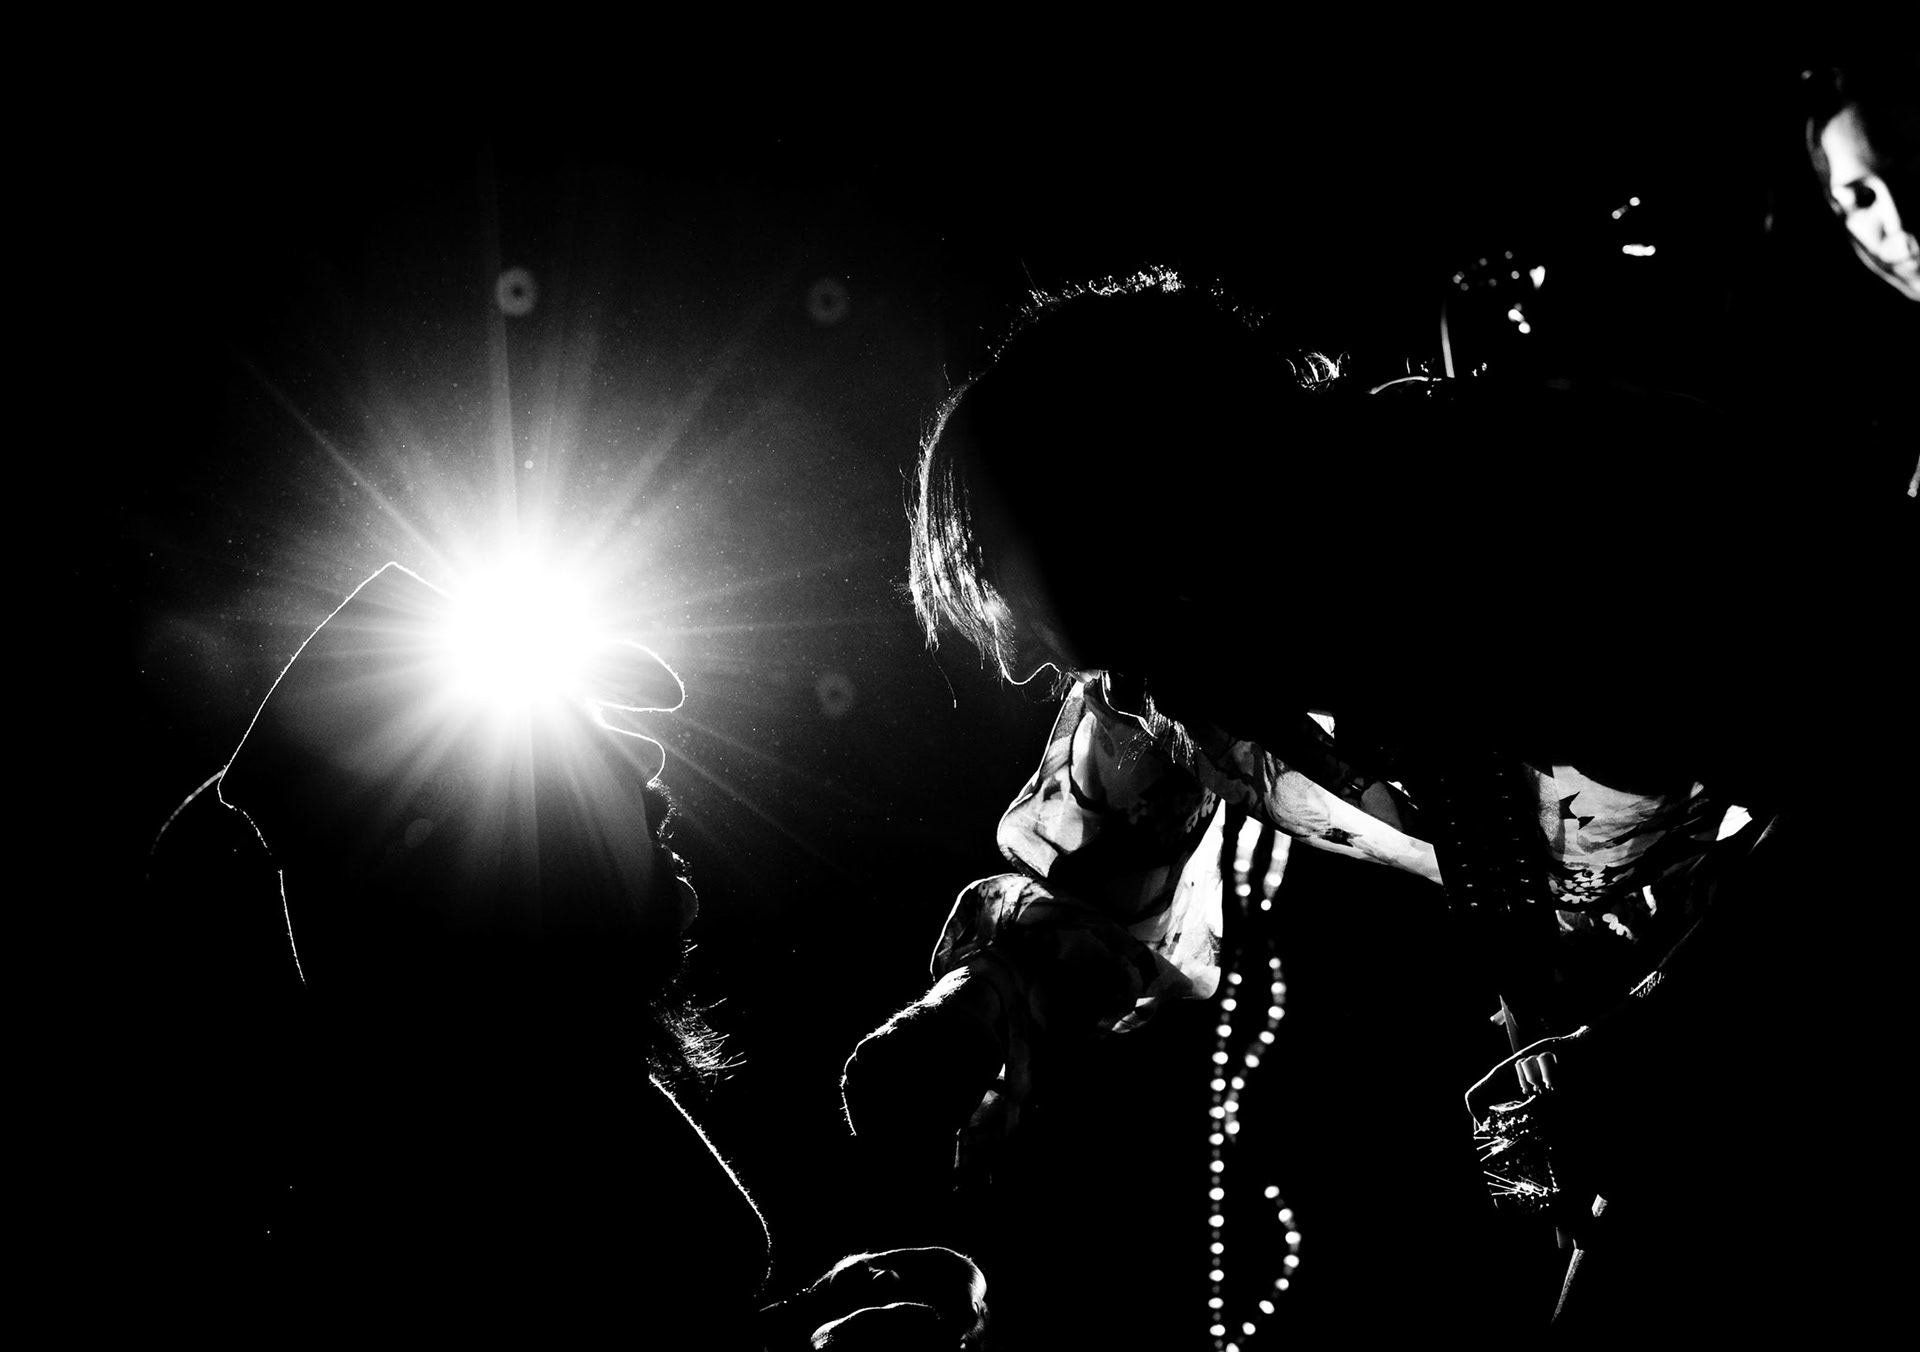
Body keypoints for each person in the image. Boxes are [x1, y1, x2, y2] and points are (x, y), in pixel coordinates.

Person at [843, 270, 1909, 1342]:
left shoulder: (1564, 500)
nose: (1127, 699)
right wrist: (967, 1011)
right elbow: (1096, 877)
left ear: (1191, 519)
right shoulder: (1195, 662)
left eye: (1133, 643)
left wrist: (1675, 1028)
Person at [140, 562, 988, 1349]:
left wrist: (800, 1322)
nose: (647, 760)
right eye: (577, 740)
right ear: (494, 860)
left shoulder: (535, 1087)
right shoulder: (449, 1179)